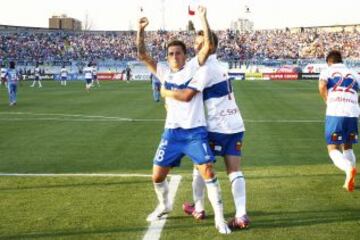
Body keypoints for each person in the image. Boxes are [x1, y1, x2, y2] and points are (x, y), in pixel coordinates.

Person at [137, 6, 231, 234]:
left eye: (178, 53)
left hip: (194, 132)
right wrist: (140, 31)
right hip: (171, 133)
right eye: (170, 53)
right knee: (157, 176)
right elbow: (142, 55)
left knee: (207, 170)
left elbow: (208, 46)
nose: (174, 56)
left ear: (185, 55)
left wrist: (203, 18)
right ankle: (165, 204)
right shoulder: (163, 71)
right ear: (167, 57)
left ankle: (220, 218)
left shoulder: (193, 68)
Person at [161, 31, 249, 230]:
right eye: (196, 44)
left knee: (200, 167)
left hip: (217, 126)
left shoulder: (205, 69)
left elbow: (187, 96)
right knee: (234, 170)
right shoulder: (220, 66)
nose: (196, 48)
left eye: (201, 44)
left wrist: (166, 92)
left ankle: (199, 208)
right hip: (235, 124)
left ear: (211, 46)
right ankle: (241, 214)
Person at [319, 50, 359, 192]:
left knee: (333, 148)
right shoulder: (354, 73)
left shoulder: (327, 71)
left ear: (329, 62)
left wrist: (327, 101)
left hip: (336, 112)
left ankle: (349, 168)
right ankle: (351, 177)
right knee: (348, 146)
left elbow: (322, 86)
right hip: (353, 112)